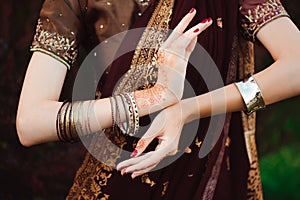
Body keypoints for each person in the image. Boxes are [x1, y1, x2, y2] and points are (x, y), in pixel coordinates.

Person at [16, 0, 300, 200]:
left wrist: (186, 109)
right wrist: (150, 98)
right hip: (121, 178)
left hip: (201, 181)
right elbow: (30, 123)